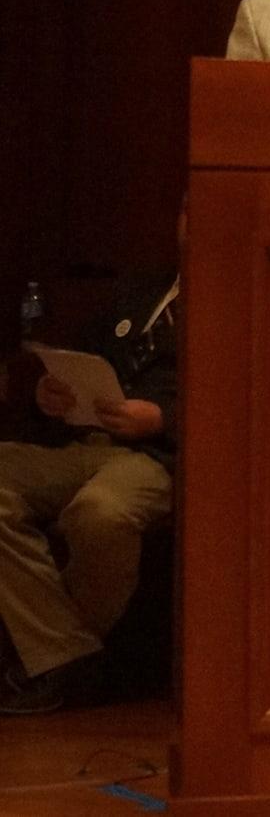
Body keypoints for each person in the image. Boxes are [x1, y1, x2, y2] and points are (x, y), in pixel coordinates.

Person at [0, 270, 178, 714]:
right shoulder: (142, 291)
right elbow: (80, 359)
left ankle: (55, 663)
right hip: (84, 440)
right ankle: (70, 657)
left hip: (160, 455)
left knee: (101, 512)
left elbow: (247, 397)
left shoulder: (238, 304)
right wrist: (49, 393)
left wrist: (161, 418)